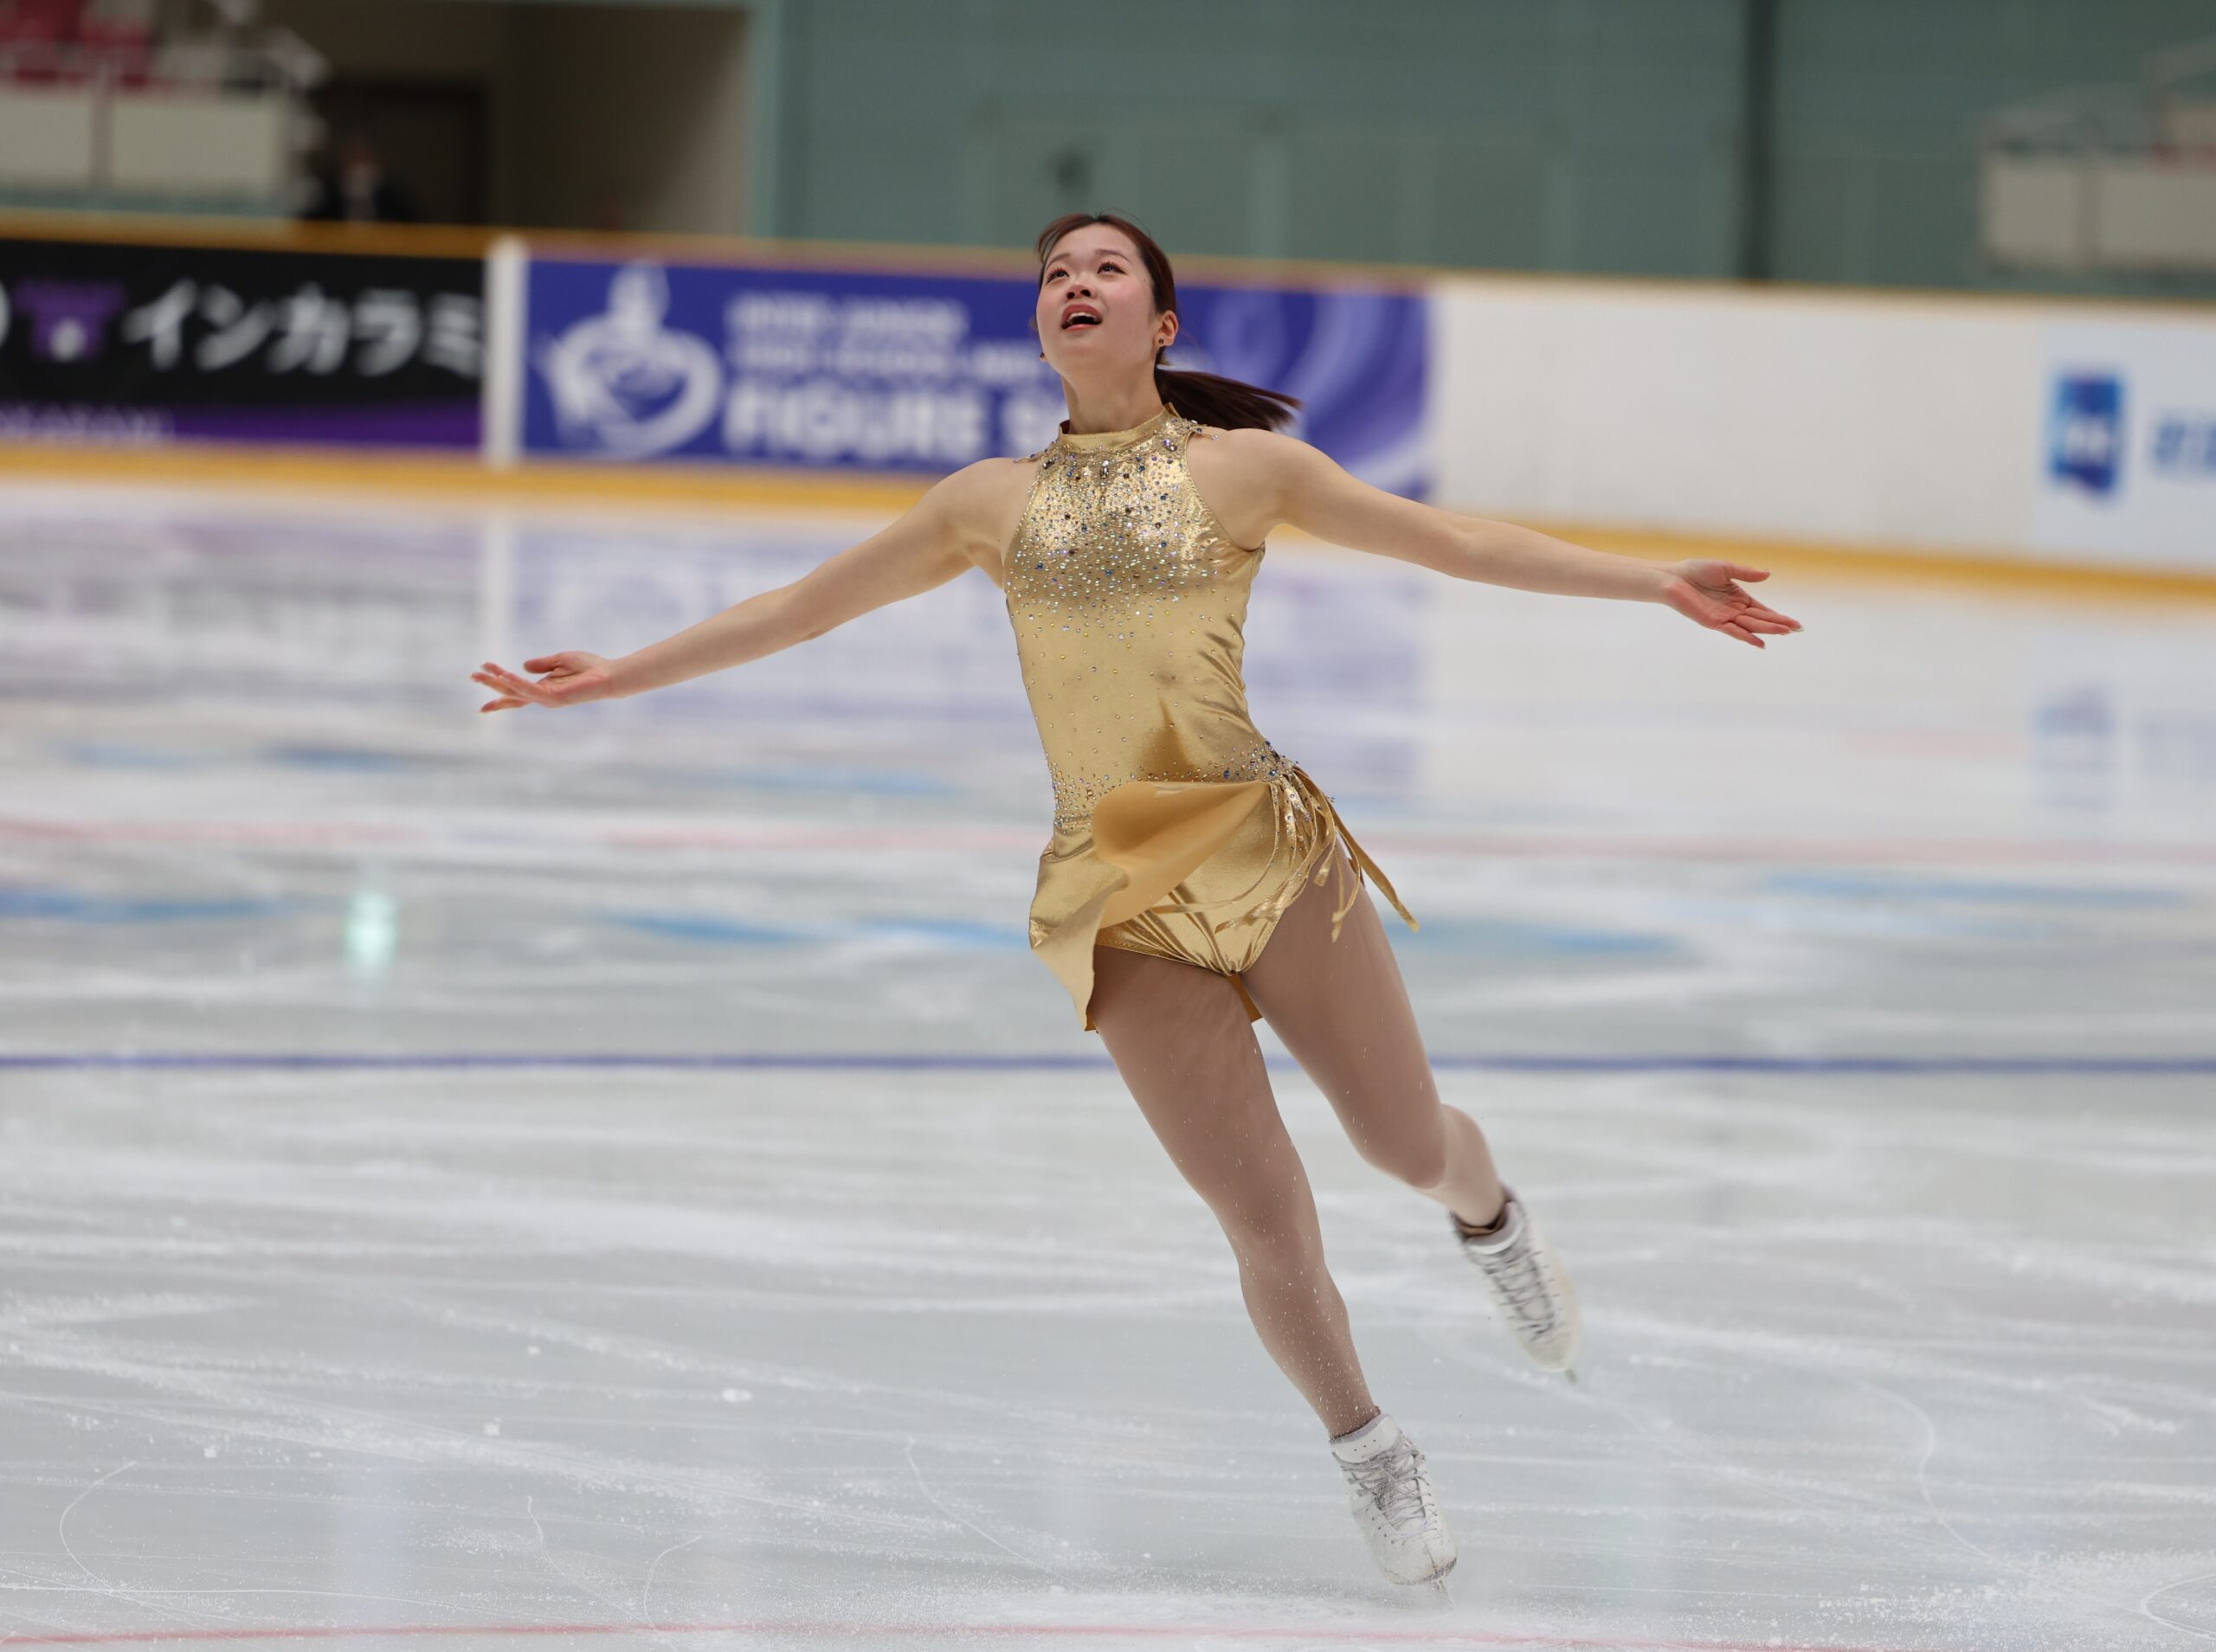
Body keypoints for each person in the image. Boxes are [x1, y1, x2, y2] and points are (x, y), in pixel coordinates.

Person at [469, 210, 1804, 1587]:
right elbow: (800, 610)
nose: (1075, 284)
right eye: (1055, 273)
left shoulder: (1247, 471)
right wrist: (613, 674)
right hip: (1117, 898)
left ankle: (1492, 1216)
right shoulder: (986, 504)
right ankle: (1370, 1445)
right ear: (1043, 325)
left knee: (1402, 1146)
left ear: (1161, 323)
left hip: (1271, 855)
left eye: (1105, 269)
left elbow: (1451, 540)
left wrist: (1653, 582)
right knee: (1266, 1216)